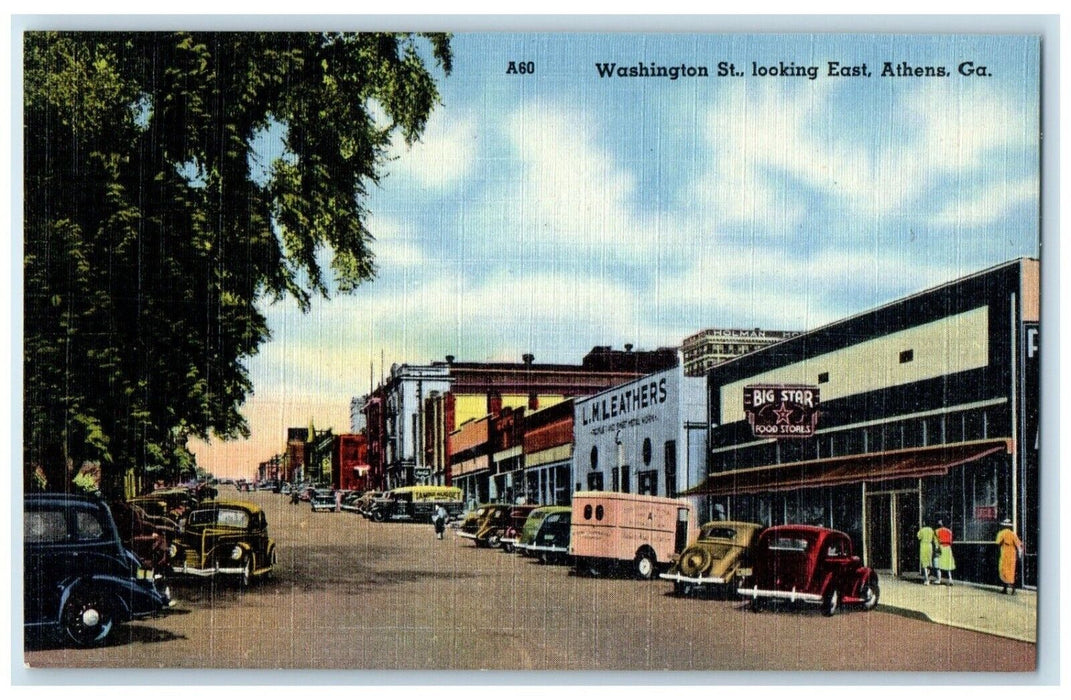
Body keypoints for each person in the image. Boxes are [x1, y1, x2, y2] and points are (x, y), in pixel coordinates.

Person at [995, 518, 1024, 594]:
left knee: (1003, 572)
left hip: (1004, 556)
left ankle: (1005, 589)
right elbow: (1019, 545)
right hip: (1012, 557)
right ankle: (1013, 590)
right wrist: (1019, 555)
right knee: (1011, 573)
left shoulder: (1001, 533)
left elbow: (998, 543)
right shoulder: (1013, 534)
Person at [934, 519, 956, 585]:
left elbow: (936, 542)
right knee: (948, 565)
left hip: (941, 547)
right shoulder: (949, 531)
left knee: (938, 564)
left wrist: (936, 549)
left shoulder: (936, 531)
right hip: (948, 548)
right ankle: (950, 579)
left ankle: (938, 579)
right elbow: (951, 541)